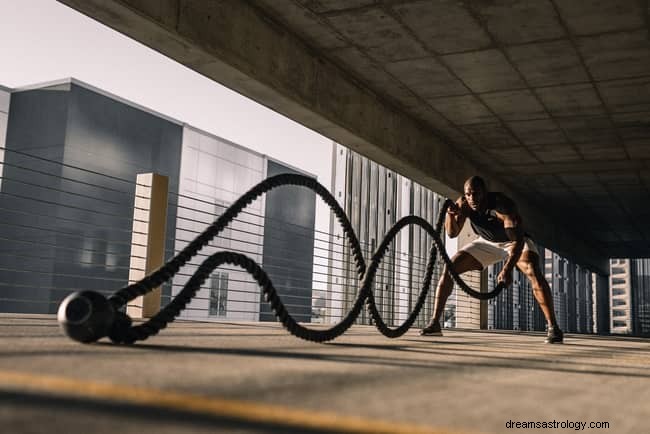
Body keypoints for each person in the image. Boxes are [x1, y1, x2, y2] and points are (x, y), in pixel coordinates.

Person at [420, 176, 563, 344]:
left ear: (485, 193)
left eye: (476, 194)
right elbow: (452, 233)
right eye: (468, 194)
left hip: (514, 241)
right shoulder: (464, 203)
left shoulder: (503, 205)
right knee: (450, 267)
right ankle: (435, 323)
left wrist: (507, 269)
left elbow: (517, 241)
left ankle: (553, 327)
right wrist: (451, 215)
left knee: (532, 270)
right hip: (487, 242)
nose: (472, 198)